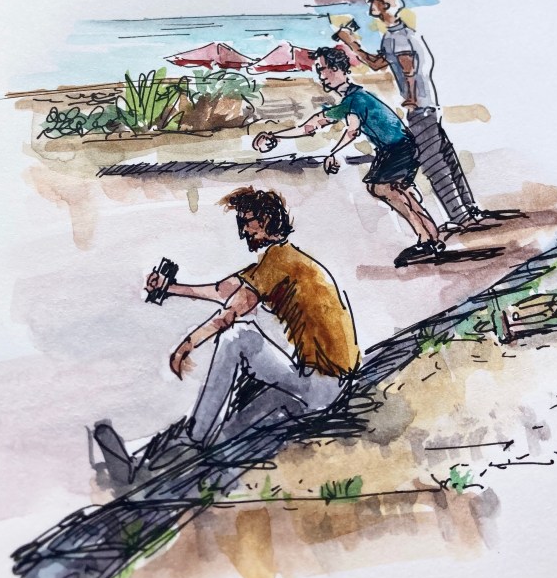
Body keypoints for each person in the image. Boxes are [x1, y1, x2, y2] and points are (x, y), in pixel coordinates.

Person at [93, 188, 360, 483]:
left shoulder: (279, 263)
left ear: (266, 221)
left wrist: (187, 345)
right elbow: (224, 289)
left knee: (238, 338)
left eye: (247, 222)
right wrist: (169, 288)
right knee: (224, 407)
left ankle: (190, 439)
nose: (243, 231)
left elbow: (232, 311)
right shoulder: (282, 260)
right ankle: (138, 453)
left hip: (321, 389)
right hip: (325, 384)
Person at [253, 47, 444, 262]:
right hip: (395, 148)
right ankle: (430, 236)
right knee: (395, 190)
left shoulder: (356, 99)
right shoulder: (349, 100)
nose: (320, 75)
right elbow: (311, 125)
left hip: (398, 147)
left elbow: (352, 130)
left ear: (337, 69)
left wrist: (333, 153)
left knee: (383, 188)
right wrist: (275, 136)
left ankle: (426, 239)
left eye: (322, 69)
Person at [336, 0, 484, 232]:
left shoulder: (398, 37)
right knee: (446, 157)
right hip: (429, 106)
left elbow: (408, 68)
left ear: (384, 6)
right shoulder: (400, 34)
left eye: (375, 1)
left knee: (433, 163)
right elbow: (376, 64)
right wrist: (351, 43)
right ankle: (469, 209)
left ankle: (460, 216)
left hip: (421, 109)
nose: (370, 5)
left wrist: (412, 99)